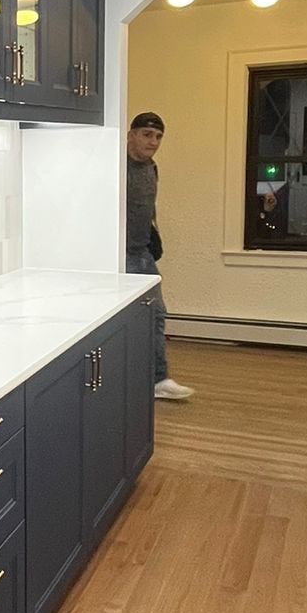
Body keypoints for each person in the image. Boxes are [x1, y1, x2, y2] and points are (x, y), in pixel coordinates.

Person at [126, 110, 194, 401]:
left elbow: (147, 207)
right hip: (117, 256)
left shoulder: (151, 167)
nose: (153, 142)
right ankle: (141, 379)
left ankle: (158, 380)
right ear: (131, 135)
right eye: (146, 134)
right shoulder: (115, 167)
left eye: (158, 137)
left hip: (141, 253)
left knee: (155, 316)